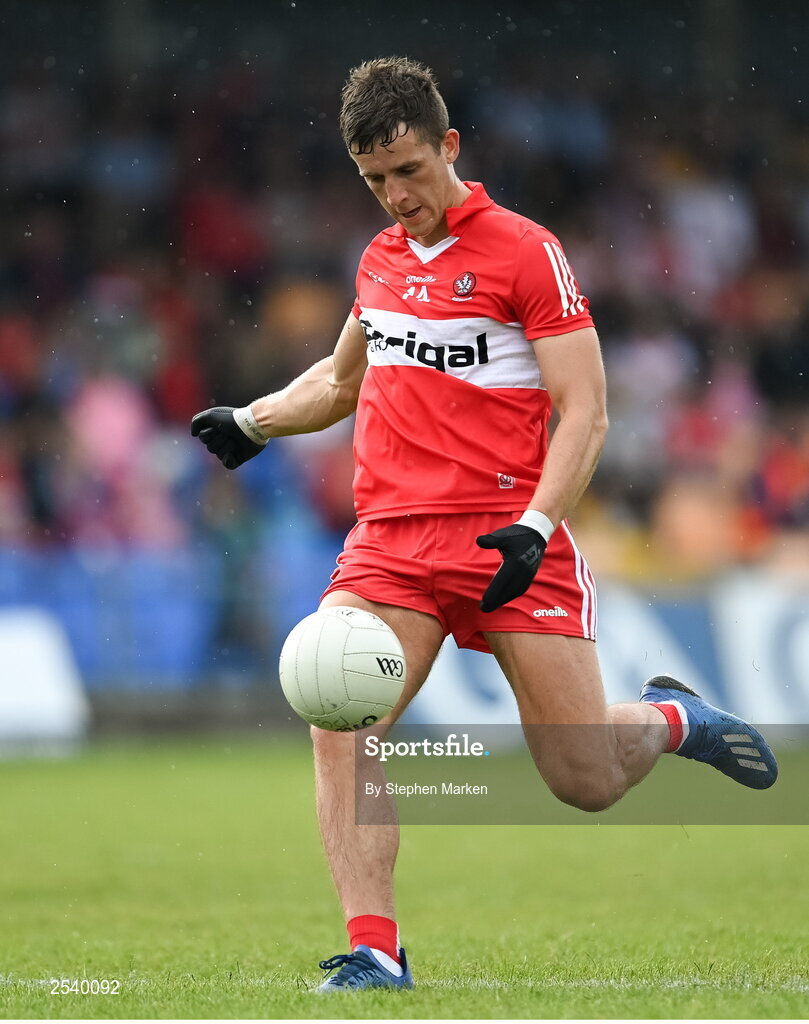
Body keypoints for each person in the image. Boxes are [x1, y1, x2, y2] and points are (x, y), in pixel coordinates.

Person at [191, 57, 778, 992]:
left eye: (409, 172)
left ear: (448, 147)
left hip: (509, 534)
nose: (395, 197)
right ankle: (376, 951)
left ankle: (674, 718)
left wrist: (541, 525)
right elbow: (343, 382)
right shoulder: (380, 261)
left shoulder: (524, 251)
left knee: (581, 777)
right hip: (390, 542)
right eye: (374, 180)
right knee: (340, 717)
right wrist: (254, 420)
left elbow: (583, 409)